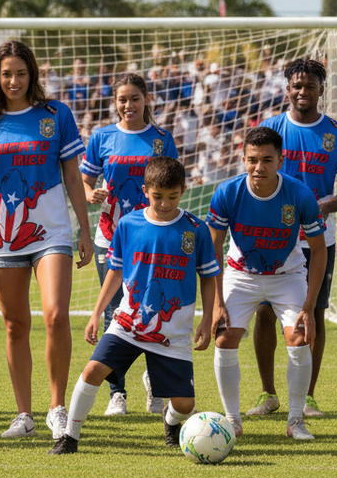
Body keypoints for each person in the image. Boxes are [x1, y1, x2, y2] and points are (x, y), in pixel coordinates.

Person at [0, 39, 92, 440]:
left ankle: (57, 409)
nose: (14, 81)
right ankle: (24, 415)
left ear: (33, 74)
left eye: (21, 73)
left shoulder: (56, 115)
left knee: (56, 315)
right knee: (15, 325)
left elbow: (72, 176)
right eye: (6, 74)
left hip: (52, 232)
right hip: (3, 238)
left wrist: (84, 228)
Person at [48, 157, 219, 454]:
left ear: (183, 191)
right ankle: (69, 438)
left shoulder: (196, 229)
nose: (165, 204)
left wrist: (207, 318)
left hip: (172, 334)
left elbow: (207, 276)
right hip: (127, 323)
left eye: (173, 196)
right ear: (145, 191)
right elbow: (115, 271)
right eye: (157, 196)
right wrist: (97, 312)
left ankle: (170, 420)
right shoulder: (128, 224)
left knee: (184, 404)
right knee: (91, 371)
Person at [205, 126, 327, 442]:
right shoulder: (227, 192)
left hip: (287, 277)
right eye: (252, 160)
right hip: (240, 275)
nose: (259, 167)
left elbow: (318, 250)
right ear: (243, 159)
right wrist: (217, 302)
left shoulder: (299, 194)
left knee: (298, 339)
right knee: (224, 339)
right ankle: (232, 421)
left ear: (280, 160)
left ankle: (296, 421)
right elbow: (212, 248)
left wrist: (310, 306)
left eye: (267, 160)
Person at [248, 58, 337, 419]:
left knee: (314, 313)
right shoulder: (271, 129)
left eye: (310, 85)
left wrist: (322, 207)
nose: (302, 91)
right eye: (296, 86)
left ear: (322, 89)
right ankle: (268, 394)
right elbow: (253, 180)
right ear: (286, 89)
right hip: (271, 239)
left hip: (316, 240)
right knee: (264, 312)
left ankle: (308, 396)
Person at [79, 72, 178, 417]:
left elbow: (172, 185)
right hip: (111, 237)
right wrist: (91, 193)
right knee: (114, 313)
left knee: (153, 308)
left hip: (153, 238)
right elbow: (84, 181)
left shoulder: (162, 139)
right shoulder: (102, 137)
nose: (128, 105)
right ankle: (116, 392)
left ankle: (156, 382)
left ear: (146, 99)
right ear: (115, 102)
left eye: (135, 98)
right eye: (122, 99)